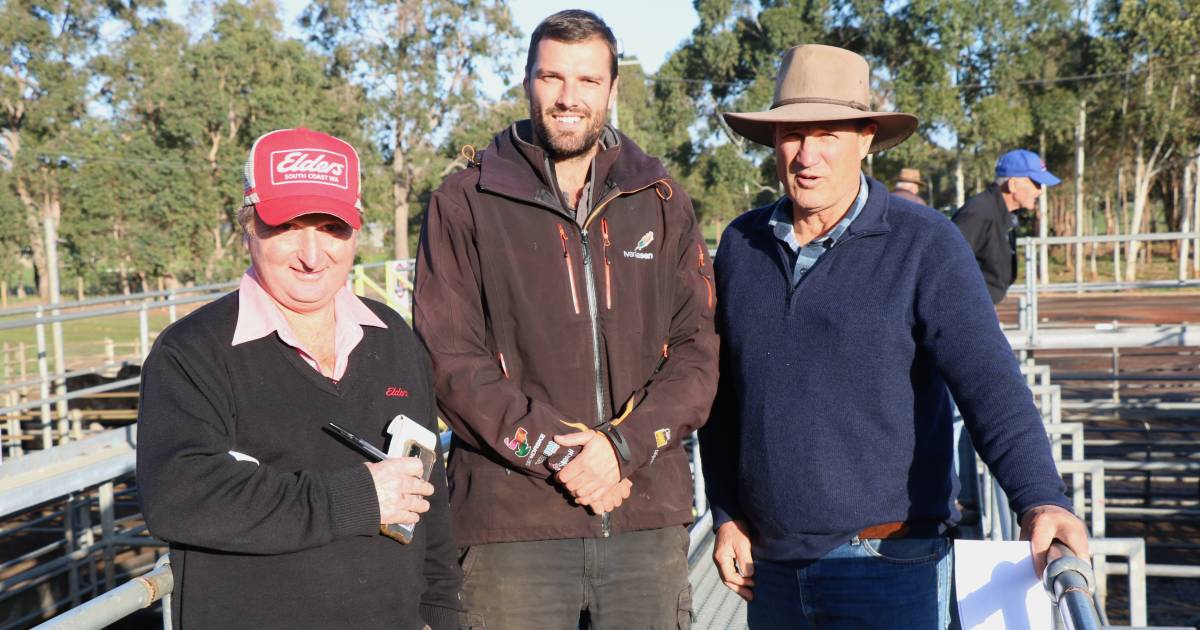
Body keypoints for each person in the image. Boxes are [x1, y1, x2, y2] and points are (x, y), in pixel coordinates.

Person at [699, 45, 1088, 628]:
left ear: (866, 138)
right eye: (792, 134)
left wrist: (1040, 497)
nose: (808, 155)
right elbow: (722, 395)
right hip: (771, 571)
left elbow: (987, 380)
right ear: (772, 142)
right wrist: (726, 511)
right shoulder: (740, 246)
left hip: (889, 562)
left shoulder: (924, 243)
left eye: (828, 133)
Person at [413, 10, 717, 629]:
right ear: (527, 82)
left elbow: (697, 353)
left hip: (643, 518)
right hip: (511, 526)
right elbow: (450, 362)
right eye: (552, 78)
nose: (568, 98)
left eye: (587, 80)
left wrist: (619, 448)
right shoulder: (464, 200)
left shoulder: (660, 200)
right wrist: (563, 455)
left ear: (612, 89)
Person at [137, 128, 460, 630]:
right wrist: (357, 498)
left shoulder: (393, 337)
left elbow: (428, 498)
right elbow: (181, 496)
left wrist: (442, 613)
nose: (313, 255)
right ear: (248, 226)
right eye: (288, 226)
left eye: (332, 228)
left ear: (355, 232)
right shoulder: (192, 351)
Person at [952, 149, 1062, 304]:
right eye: (1036, 183)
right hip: (966, 311)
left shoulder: (1003, 213)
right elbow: (947, 265)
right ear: (1013, 184)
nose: (1040, 191)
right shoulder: (978, 212)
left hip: (982, 307)